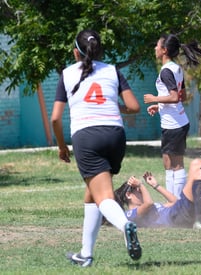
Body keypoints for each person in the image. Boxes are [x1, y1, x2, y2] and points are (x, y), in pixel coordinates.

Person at [50, 29, 142, 267]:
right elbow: (133, 106)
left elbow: (55, 119)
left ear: (75, 52)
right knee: (92, 193)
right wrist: (112, 106)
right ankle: (85, 254)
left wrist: (62, 147)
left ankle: (125, 226)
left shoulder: (67, 74)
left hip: (87, 136)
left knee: (103, 196)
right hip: (115, 134)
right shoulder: (113, 71)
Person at [143, 34, 201, 198]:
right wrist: (159, 106)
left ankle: (176, 203)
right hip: (177, 122)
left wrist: (154, 98)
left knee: (174, 165)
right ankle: (174, 202)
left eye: (157, 46)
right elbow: (182, 96)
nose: (155, 48)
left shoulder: (166, 71)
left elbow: (174, 97)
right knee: (170, 164)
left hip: (174, 125)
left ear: (164, 50)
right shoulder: (176, 68)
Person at [114, 158, 201, 229]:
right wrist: (140, 185)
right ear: (128, 195)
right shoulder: (130, 214)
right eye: (137, 190)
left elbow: (174, 201)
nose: (141, 191)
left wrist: (156, 186)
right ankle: (199, 220)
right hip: (177, 217)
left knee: (197, 163)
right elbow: (149, 203)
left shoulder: (153, 206)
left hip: (178, 210)